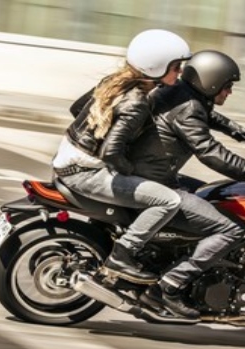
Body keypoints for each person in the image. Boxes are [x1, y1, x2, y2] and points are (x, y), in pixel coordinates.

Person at [130, 50, 245, 318]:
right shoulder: (188, 108)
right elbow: (214, 155)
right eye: (227, 85)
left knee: (213, 196)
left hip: (154, 175)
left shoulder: (184, 96)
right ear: (210, 82)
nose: (229, 92)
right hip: (155, 183)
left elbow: (211, 117)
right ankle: (168, 286)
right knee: (232, 228)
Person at [51, 29, 192, 284]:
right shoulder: (137, 101)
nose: (180, 72)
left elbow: (77, 108)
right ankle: (122, 255)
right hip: (85, 173)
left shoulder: (114, 82)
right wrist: (130, 169)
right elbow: (112, 152)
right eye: (175, 67)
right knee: (168, 200)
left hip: (66, 161)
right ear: (156, 66)